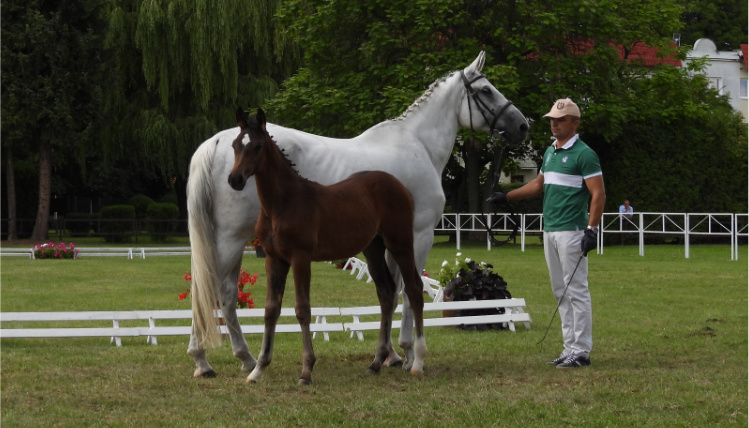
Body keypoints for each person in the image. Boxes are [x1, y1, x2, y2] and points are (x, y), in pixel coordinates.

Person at [487, 98, 605, 368]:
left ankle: (581, 350)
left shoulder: (585, 154)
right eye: (552, 119)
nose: (554, 123)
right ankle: (568, 348)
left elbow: (599, 194)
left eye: (560, 120)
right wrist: (507, 196)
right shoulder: (550, 152)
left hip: (572, 232)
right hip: (550, 230)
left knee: (576, 291)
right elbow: (538, 185)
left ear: (574, 123)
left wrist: (592, 229)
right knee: (559, 290)